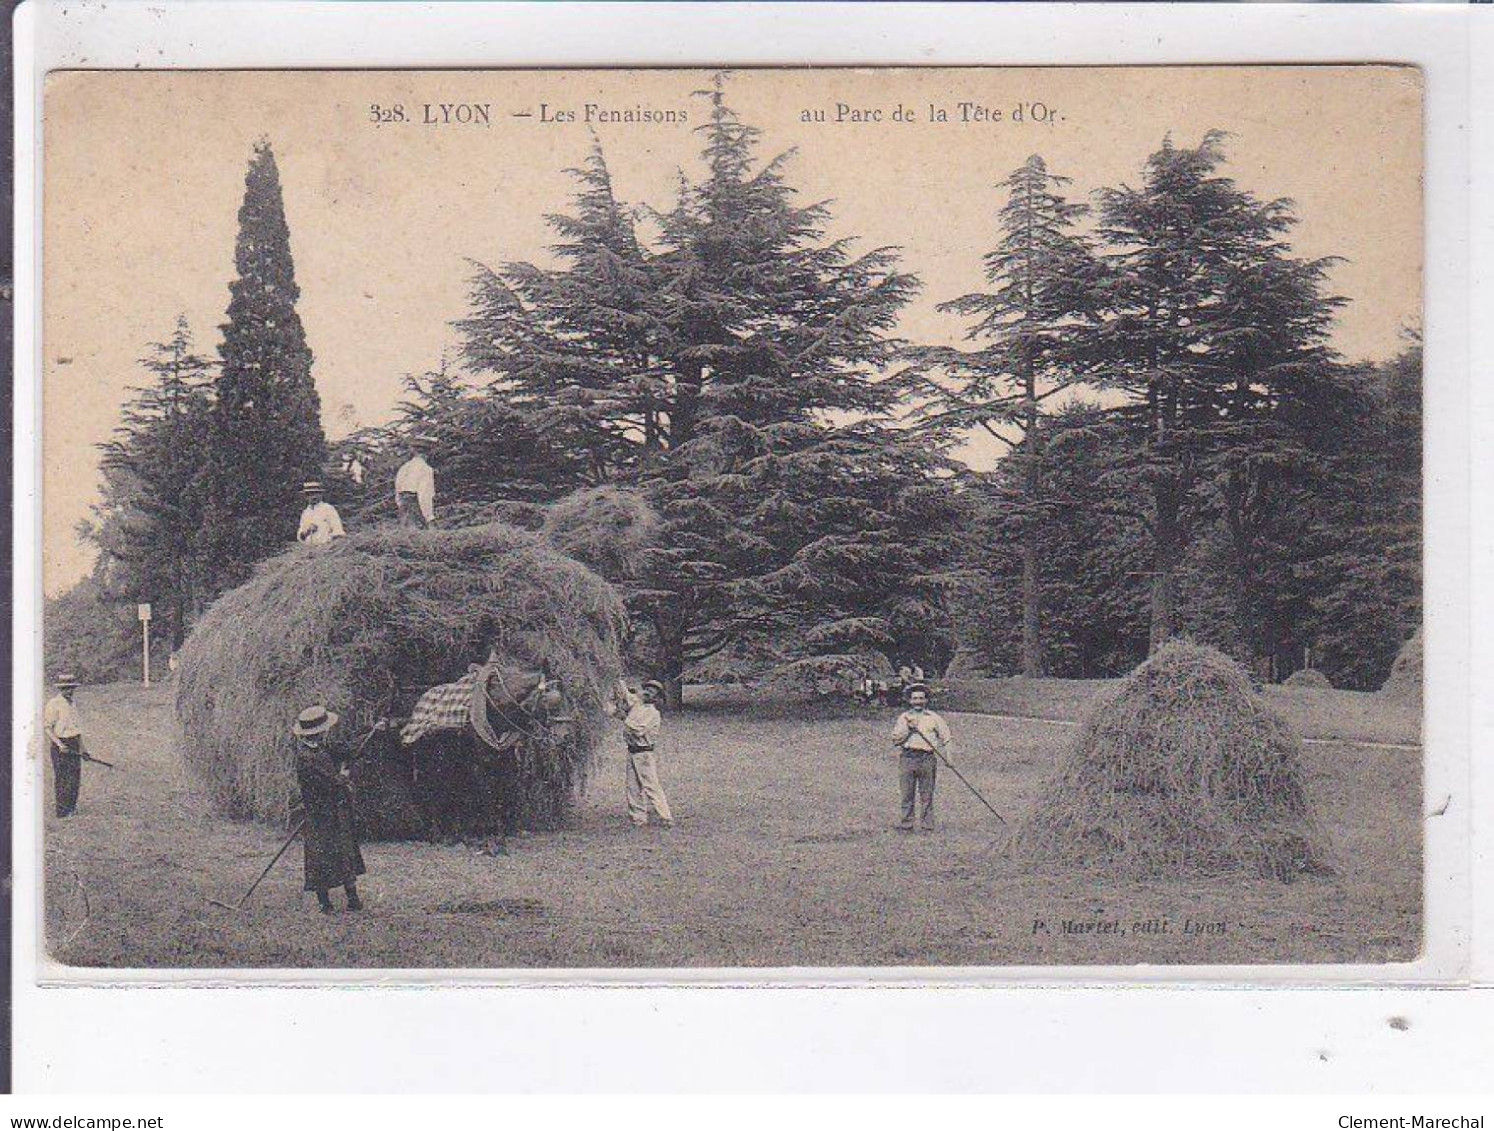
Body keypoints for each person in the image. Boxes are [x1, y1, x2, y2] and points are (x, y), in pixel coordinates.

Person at [292, 704, 366, 913]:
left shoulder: (322, 748)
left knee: (345, 852)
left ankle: (353, 899)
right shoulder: (306, 759)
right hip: (319, 815)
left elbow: (348, 750)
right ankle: (325, 903)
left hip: (335, 811)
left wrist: (371, 732)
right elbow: (331, 783)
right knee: (321, 857)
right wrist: (343, 776)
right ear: (318, 732)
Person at [890, 683, 953, 833]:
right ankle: (906, 825)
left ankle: (927, 826)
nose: (918, 701)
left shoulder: (934, 718)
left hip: (927, 758)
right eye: (915, 698)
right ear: (910, 701)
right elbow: (896, 741)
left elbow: (947, 738)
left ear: (926, 701)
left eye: (921, 698)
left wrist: (949, 758)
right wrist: (909, 730)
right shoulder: (904, 718)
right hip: (908, 758)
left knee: (927, 795)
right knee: (907, 794)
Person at [613, 678, 673, 828]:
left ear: (656, 698)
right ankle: (638, 818)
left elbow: (638, 730)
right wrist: (618, 678)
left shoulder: (653, 713)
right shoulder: (637, 705)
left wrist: (623, 717)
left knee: (650, 785)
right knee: (632, 786)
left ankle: (665, 816)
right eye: (647, 689)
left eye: (653, 692)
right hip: (632, 751)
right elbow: (624, 694)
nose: (648, 692)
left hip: (644, 753)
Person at [43, 673, 84, 817]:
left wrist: (83, 748)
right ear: (61, 689)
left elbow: (77, 729)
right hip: (60, 744)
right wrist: (60, 744)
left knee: (74, 777)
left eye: (71, 688)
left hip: (74, 742)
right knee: (62, 778)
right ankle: (62, 811)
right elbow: (47, 728)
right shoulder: (54, 704)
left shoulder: (73, 704)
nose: (69, 691)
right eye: (66, 688)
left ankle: (71, 808)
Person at [394, 437, 436, 528]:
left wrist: (402, 507)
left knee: (405, 536)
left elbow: (398, 492)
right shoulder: (426, 469)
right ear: (427, 453)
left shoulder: (404, 467)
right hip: (417, 508)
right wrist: (429, 518)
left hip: (404, 509)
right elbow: (424, 495)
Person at [296, 481, 345, 546]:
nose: (314, 497)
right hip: (309, 551)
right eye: (310, 494)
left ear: (321, 494)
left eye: (316, 493)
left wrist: (328, 543)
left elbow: (338, 532)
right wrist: (307, 531)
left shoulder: (328, 509)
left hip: (326, 549)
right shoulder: (305, 513)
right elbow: (301, 536)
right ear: (306, 497)